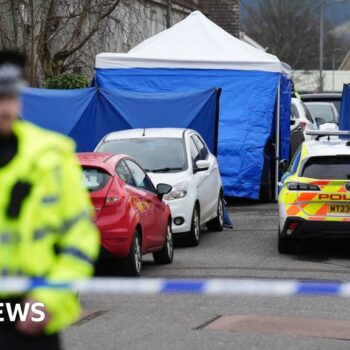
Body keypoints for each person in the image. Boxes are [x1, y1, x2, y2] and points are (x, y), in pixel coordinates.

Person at [0, 50, 99, 349]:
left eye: (10, 98)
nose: (5, 109)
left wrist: (48, 298)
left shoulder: (51, 157)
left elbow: (80, 238)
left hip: (30, 311)